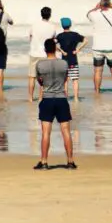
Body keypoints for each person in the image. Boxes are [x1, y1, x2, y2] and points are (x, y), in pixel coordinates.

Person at [34, 39, 76, 170]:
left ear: (45, 50)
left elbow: (40, 82)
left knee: (46, 132)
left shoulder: (40, 64)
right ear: (56, 49)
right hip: (61, 98)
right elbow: (65, 79)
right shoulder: (63, 63)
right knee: (66, 132)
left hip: (47, 99)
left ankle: (44, 161)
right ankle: (70, 161)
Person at [87, 0, 112, 93]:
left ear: (100, 3)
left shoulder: (94, 14)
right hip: (111, 46)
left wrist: (96, 7)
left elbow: (88, 14)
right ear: (109, 3)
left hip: (97, 47)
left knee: (98, 71)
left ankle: (97, 91)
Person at [28, 7, 56, 102]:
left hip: (34, 52)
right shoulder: (52, 26)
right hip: (44, 54)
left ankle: (30, 98)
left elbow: (30, 37)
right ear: (50, 15)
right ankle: (40, 98)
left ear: (41, 14)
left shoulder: (34, 25)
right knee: (42, 78)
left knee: (32, 77)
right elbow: (53, 40)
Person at [55, 18, 86, 100]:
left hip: (64, 61)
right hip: (73, 60)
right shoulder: (75, 35)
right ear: (70, 25)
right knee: (75, 80)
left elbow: (52, 43)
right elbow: (85, 40)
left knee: (65, 80)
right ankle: (76, 98)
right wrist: (78, 49)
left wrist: (61, 51)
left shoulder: (60, 36)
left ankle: (66, 97)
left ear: (62, 26)